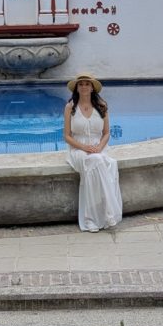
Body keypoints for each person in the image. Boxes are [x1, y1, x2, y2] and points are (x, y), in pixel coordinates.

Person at [64, 73, 122, 232]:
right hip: (77, 149)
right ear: (76, 88)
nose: (84, 86)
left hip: (99, 148)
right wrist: (84, 148)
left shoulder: (102, 106)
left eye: (87, 84)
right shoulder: (70, 107)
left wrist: (99, 147)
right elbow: (67, 136)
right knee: (95, 161)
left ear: (92, 88)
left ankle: (97, 216)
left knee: (101, 161)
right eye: (80, 84)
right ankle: (97, 216)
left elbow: (106, 133)